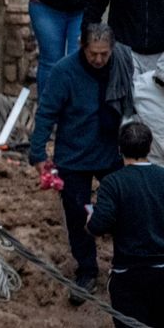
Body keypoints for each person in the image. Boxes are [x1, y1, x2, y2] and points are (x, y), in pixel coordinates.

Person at [29, 23, 132, 303]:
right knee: (77, 215)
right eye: (93, 54)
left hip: (111, 151)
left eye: (104, 54)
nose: (99, 60)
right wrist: (37, 153)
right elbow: (47, 111)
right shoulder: (64, 72)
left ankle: (124, 267)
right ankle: (87, 270)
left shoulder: (121, 64)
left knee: (123, 210)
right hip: (73, 155)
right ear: (82, 48)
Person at [86, 122, 164, 327]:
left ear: (119, 148)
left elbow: (97, 225)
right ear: (149, 147)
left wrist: (90, 219)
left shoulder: (113, 183)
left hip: (129, 275)